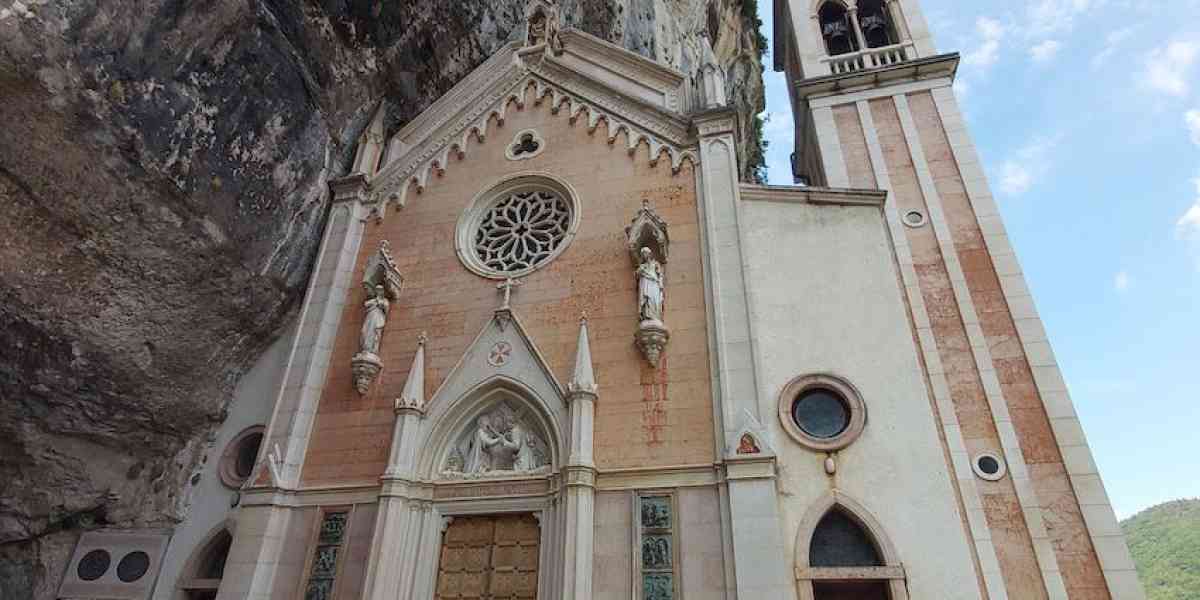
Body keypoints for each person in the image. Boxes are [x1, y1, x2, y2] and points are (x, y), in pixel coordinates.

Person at [359, 284, 389, 355]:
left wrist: (379, 302)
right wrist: (376, 300)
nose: (378, 291)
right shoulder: (373, 300)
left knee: (375, 332)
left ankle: (372, 349)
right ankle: (365, 348)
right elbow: (366, 304)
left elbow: (386, 307)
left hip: (378, 317)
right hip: (370, 317)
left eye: (380, 290)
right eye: (377, 290)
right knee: (364, 331)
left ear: (382, 292)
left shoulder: (384, 301)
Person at [637, 247, 664, 322]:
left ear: (649, 254)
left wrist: (661, 284)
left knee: (654, 299)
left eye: (645, 253)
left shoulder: (655, 263)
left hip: (654, 283)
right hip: (645, 283)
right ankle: (646, 316)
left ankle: (655, 315)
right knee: (646, 299)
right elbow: (637, 274)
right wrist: (641, 270)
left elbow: (660, 274)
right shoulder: (642, 266)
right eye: (642, 254)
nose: (644, 255)